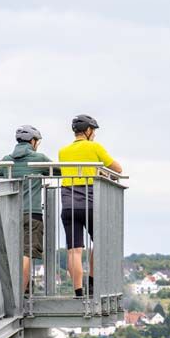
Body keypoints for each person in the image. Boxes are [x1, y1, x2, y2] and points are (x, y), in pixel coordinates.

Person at [58, 114, 123, 297]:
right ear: (87, 131)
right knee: (99, 243)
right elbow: (118, 169)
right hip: (91, 203)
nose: (93, 134)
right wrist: (101, 171)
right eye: (93, 131)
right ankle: (92, 284)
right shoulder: (95, 147)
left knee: (74, 251)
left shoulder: (63, 151)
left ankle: (78, 292)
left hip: (68, 203)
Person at [0, 124, 51, 293]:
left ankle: (16, 291)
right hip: (32, 213)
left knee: (13, 253)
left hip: (11, 213)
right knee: (27, 253)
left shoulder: (7, 159)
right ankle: (21, 295)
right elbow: (58, 170)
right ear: (32, 141)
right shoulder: (38, 159)